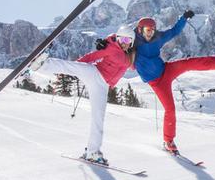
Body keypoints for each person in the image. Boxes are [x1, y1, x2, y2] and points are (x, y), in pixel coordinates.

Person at [24, 27, 136, 165]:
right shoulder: (111, 46)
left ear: (132, 42)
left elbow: (132, 66)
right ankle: (42, 65)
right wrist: (83, 61)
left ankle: (92, 152)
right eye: (122, 39)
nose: (124, 42)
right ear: (117, 38)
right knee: (73, 67)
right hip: (94, 73)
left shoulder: (128, 56)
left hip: (102, 86)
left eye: (128, 40)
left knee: (98, 117)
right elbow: (92, 56)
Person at [133, 12, 215, 154]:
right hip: (157, 83)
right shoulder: (132, 42)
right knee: (170, 109)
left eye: (153, 30)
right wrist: (104, 44)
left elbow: (174, 31)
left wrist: (184, 18)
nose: (150, 33)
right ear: (140, 30)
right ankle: (168, 141)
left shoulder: (158, 38)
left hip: (166, 70)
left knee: (189, 63)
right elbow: (116, 43)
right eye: (147, 30)